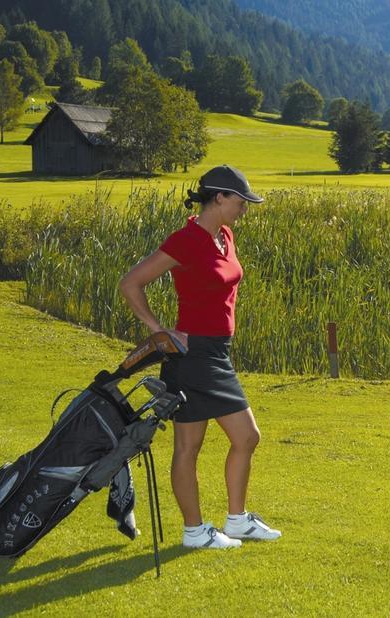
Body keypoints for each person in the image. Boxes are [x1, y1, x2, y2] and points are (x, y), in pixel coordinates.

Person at [119, 165, 281, 549]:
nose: (245, 209)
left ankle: (235, 521)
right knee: (234, 438)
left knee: (228, 441)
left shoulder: (225, 235)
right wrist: (158, 331)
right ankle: (197, 530)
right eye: (241, 201)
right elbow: (131, 283)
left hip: (216, 352)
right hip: (192, 356)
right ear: (219, 198)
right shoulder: (187, 239)